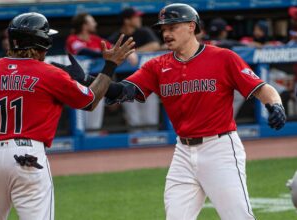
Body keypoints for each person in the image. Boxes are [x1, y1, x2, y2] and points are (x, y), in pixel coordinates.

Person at [61, 3, 286, 219]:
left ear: (191, 26)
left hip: (220, 149)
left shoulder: (223, 58)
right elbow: (123, 91)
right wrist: (88, 79)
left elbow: (261, 88)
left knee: (239, 216)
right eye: (163, 29)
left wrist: (275, 105)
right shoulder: (156, 66)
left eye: (172, 27)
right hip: (183, 153)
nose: (166, 33)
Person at [0, 12, 135, 220]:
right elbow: (90, 101)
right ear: (42, 42)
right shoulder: (50, 73)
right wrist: (110, 65)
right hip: (28, 158)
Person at [108, 7, 161, 131]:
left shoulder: (143, 32)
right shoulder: (116, 37)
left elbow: (155, 45)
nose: (139, 19)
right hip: (126, 86)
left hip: (147, 84)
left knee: (151, 122)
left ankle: (152, 148)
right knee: (134, 123)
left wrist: (132, 52)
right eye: (136, 17)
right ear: (126, 20)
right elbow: (109, 58)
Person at [65, 13, 112, 132]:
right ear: (84, 25)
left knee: (94, 126)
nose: (95, 24)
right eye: (92, 21)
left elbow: (113, 48)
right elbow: (82, 51)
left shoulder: (96, 39)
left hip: (95, 84)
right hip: (77, 87)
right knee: (81, 124)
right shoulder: (72, 39)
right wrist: (104, 54)